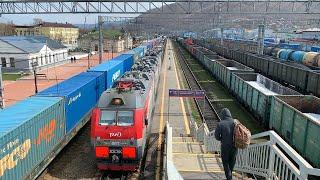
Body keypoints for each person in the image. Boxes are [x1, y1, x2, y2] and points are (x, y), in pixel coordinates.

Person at [214, 108, 238, 180]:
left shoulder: (220, 124)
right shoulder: (235, 122)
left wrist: (222, 139)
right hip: (235, 146)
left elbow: (217, 136)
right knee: (232, 161)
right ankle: (229, 175)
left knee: (225, 162)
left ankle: (229, 177)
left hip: (225, 147)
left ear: (222, 115)